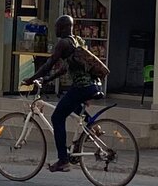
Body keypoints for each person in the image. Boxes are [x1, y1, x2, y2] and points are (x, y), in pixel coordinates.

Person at [23, 15, 105, 173]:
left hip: (81, 87)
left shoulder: (63, 43)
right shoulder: (77, 41)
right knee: (72, 106)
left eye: (57, 27)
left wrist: (31, 79)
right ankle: (93, 127)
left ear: (63, 27)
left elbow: (50, 63)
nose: (55, 30)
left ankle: (63, 160)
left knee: (57, 117)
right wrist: (47, 81)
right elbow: (64, 69)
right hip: (92, 86)